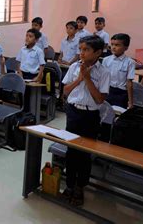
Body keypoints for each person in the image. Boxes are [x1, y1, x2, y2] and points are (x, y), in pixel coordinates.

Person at [61, 35, 110, 206]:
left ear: (97, 52)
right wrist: (79, 78)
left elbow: (99, 99)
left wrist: (88, 79)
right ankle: (69, 184)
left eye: (86, 50)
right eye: (80, 49)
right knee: (71, 150)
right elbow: (66, 91)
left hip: (90, 117)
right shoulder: (74, 67)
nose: (81, 53)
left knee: (84, 153)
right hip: (74, 112)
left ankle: (80, 187)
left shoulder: (103, 72)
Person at [102, 34, 134, 109]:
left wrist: (131, 102)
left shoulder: (130, 62)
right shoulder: (106, 60)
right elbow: (102, 78)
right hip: (107, 91)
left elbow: (129, 83)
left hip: (121, 94)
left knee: (118, 114)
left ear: (126, 48)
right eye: (112, 44)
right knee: (105, 113)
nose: (113, 47)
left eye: (117, 45)